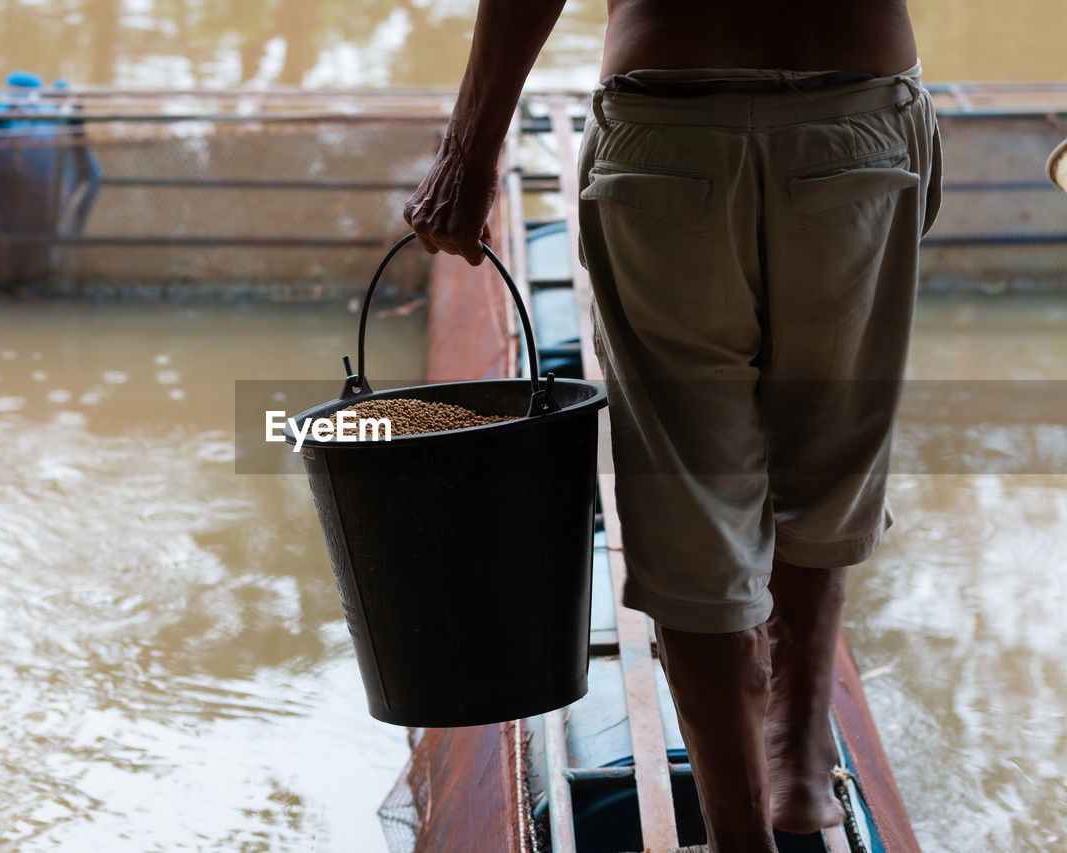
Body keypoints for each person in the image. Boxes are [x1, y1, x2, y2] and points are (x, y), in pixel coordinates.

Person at [403, 2, 941, 851]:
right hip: (856, 111)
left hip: (670, 121)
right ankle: (798, 763)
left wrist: (469, 152)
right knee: (831, 452)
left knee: (690, 499)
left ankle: (739, 837)